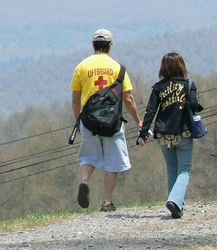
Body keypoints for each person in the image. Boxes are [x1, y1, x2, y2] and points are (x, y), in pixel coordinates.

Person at [70, 28, 142, 212]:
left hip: (89, 120)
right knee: (113, 161)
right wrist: (138, 120)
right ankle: (107, 202)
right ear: (110, 45)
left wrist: (78, 120)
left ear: (93, 45)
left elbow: (75, 98)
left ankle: (85, 180)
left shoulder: (82, 66)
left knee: (88, 156)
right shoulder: (119, 68)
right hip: (112, 122)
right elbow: (128, 98)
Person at [138, 52, 203, 218]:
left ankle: (177, 207)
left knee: (172, 168)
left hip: (162, 135)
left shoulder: (158, 87)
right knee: (184, 170)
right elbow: (194, 105)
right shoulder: (188, 84)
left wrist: (143, 133)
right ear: (182, 66)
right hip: (183, 133)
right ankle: (174, 200)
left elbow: (150, 111)